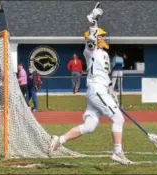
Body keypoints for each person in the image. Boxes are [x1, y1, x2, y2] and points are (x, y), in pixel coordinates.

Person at [49, 4, 132, 165]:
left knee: (89, 127)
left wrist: (111, 92)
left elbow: (104, 76)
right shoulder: (90, 50)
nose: (104, 38)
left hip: (101, 90)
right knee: (118, 119)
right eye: (102, 36)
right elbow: (91, 40)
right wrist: (93, 21)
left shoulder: (104, 54)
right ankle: (118, 153)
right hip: (96, 90)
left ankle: (59, 140)